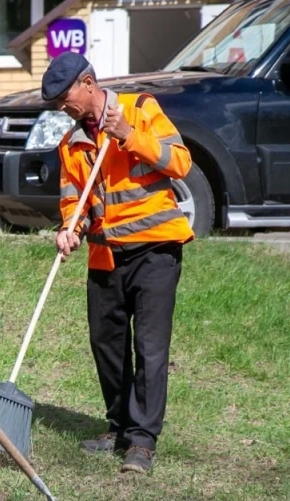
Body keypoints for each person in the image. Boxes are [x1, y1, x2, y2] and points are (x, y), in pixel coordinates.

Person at [42, 52, 194, 475]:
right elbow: (73, 197)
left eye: (64, 96)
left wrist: (128, 134)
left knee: (149, 347)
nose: (61, 107)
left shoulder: (141, 109)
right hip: (105, 254)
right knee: (105, 343)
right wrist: (69, 225)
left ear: (88, 84)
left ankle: (142, 441)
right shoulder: (71, 144)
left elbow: (180, 162)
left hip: (155, 250)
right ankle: (119, 426)